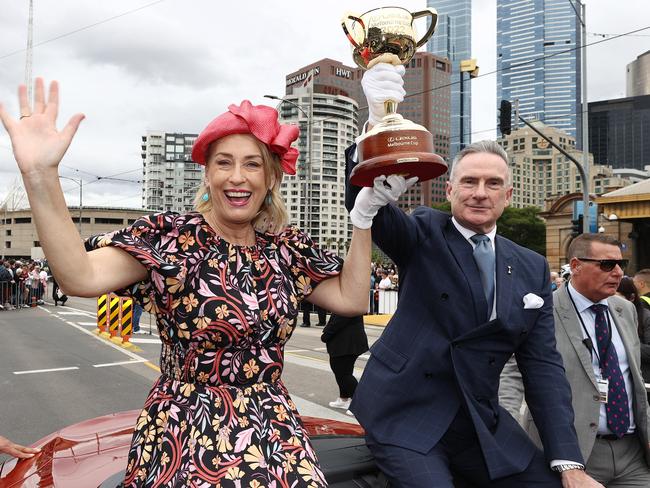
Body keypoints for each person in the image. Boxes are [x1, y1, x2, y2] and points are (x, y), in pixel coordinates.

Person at [0, 78, 411, 487]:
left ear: (270, 178)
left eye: (252, 164)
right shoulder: (171, 239)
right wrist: (41, 175)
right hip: (184, 428)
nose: (238, 177)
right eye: (224, 162)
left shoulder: (288, 249)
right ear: (207, 173)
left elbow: (353, 297)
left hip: (274, 430)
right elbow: (78, 275)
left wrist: (364, 218)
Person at [343, 62, 602, 487]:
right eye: (469, 182)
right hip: (406, 416)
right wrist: (376, 125)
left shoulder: (532, 265)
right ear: (450, 190)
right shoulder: (425, 230)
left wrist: (568, 463)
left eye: (492, 183)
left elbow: (542, 367)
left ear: (508, 195)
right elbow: (369, 205)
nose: (480, 192)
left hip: (478, 420)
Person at [500, 234, 650, 485]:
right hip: (571, 453)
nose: (617, 273)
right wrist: (507, 437)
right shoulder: (542, 310)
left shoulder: (625, 310)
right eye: (606, 265)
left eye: (621, 265)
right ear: (576, 266)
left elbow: (632, 379)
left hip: (632, 452)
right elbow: (512, 375)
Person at [321, 313, 369, 414]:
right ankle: (344, 399)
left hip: (346, 343)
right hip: (346, 343)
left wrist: (326, 334)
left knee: (344, 374)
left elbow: (339, 320)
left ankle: (359, 405)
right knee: (342, 372)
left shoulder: (347, 303)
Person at [617, 276, 650, 383]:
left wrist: (623, 343)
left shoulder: (645, 317)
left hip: (642, 379)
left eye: (616, 298)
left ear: (631, 297)